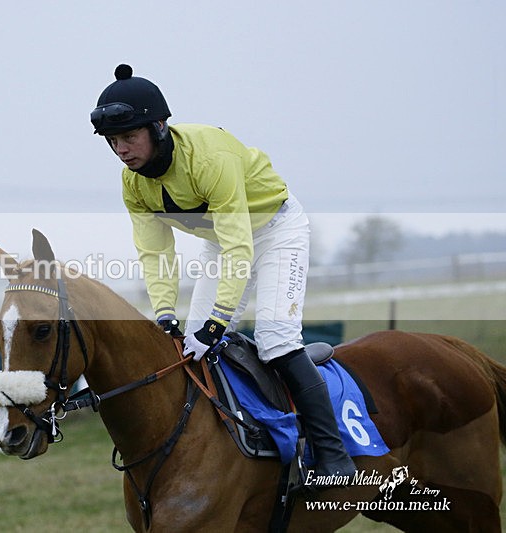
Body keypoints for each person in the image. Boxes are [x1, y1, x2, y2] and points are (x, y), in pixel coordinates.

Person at [90, 64, 356, 481]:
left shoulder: (209, 158)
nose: (121, 150)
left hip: (274, 231)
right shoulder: (133, 183)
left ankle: (332, 452)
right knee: (193, 347)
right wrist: (164, 313)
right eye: (112, 142)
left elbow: (240, 247)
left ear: (159, 128)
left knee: (275, 341)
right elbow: (156, 253)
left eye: (128, 137)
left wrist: (218, 324)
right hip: (224, 241)